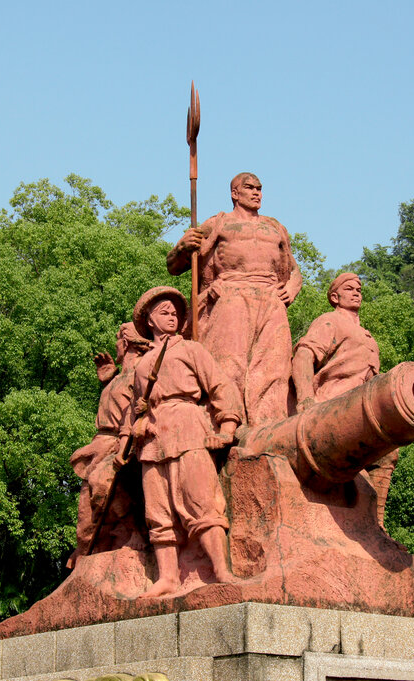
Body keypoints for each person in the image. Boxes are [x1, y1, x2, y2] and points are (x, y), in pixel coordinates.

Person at [118, 286, 241, 598]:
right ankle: (168, 578)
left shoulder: (191, 350)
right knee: (158, 511)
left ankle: (221, 570)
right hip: (152, 438)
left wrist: (226, 427)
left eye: (175, 313)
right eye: (164, 312)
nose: (171, 317)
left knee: (201, 500)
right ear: (149, 319)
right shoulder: (142, 365)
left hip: (187, 426)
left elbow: (220, 386)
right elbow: (135, 408)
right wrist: (137, 426)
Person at [166, 172, 302, 426]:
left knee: (275, 367)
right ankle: (228, 423)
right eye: (250, 187)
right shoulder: (219, 222)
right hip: (231, 294)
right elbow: (174, 265)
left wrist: (293, 286)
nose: (257, 192)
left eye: (260, 188)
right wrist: (182, 246)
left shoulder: (275, 227)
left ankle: (268, 427)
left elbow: (294, 270)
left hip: (271, 298)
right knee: (229, 363)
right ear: (234, 193)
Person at [291, 272, 399, 530]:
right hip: (333, 405)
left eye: (359, 289)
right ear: (334, 297)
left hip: (362, 409)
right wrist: (306, 398)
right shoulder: (330, 321)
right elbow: (304, 355)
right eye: (349, 288)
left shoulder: (368, 337)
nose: (356, 292)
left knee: (388, 451)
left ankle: (377, 525)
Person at [67, 322, 148, 568]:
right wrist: (109, 380)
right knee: (85, 515)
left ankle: (137, 532)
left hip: (121, 442)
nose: (116, 346)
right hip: (99, 444)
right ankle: (88, 555)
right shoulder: (119, 376)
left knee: (104, 485)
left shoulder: (141, 372)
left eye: (118, 341)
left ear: (126, 343)